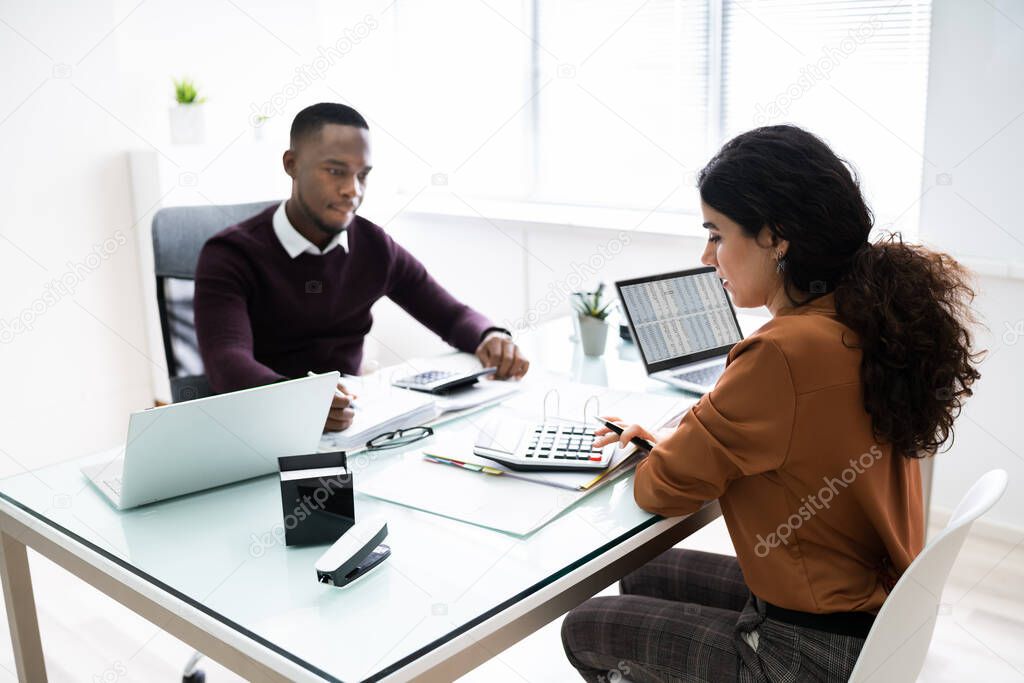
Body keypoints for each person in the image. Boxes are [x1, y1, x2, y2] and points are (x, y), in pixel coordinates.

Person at [561, 125, 983, 682]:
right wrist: (693, 437)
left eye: (716, 234)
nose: (707, 255)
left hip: (807, 656)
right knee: (645, 575)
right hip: (872, 626)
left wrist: (674, 445)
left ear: (776, 238)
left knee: (585, 625)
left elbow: (660, 489)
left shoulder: (780, 353)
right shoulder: (865, 317)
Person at [194, 103, 529, 432]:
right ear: (292, 164)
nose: (352, 191)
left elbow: (451, 315)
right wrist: (301, 400)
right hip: (259, 430)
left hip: (352, 428)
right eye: (336, 171)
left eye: (363, 175)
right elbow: (227, 364)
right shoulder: (230, 254)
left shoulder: (374, 247)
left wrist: (491, 335)